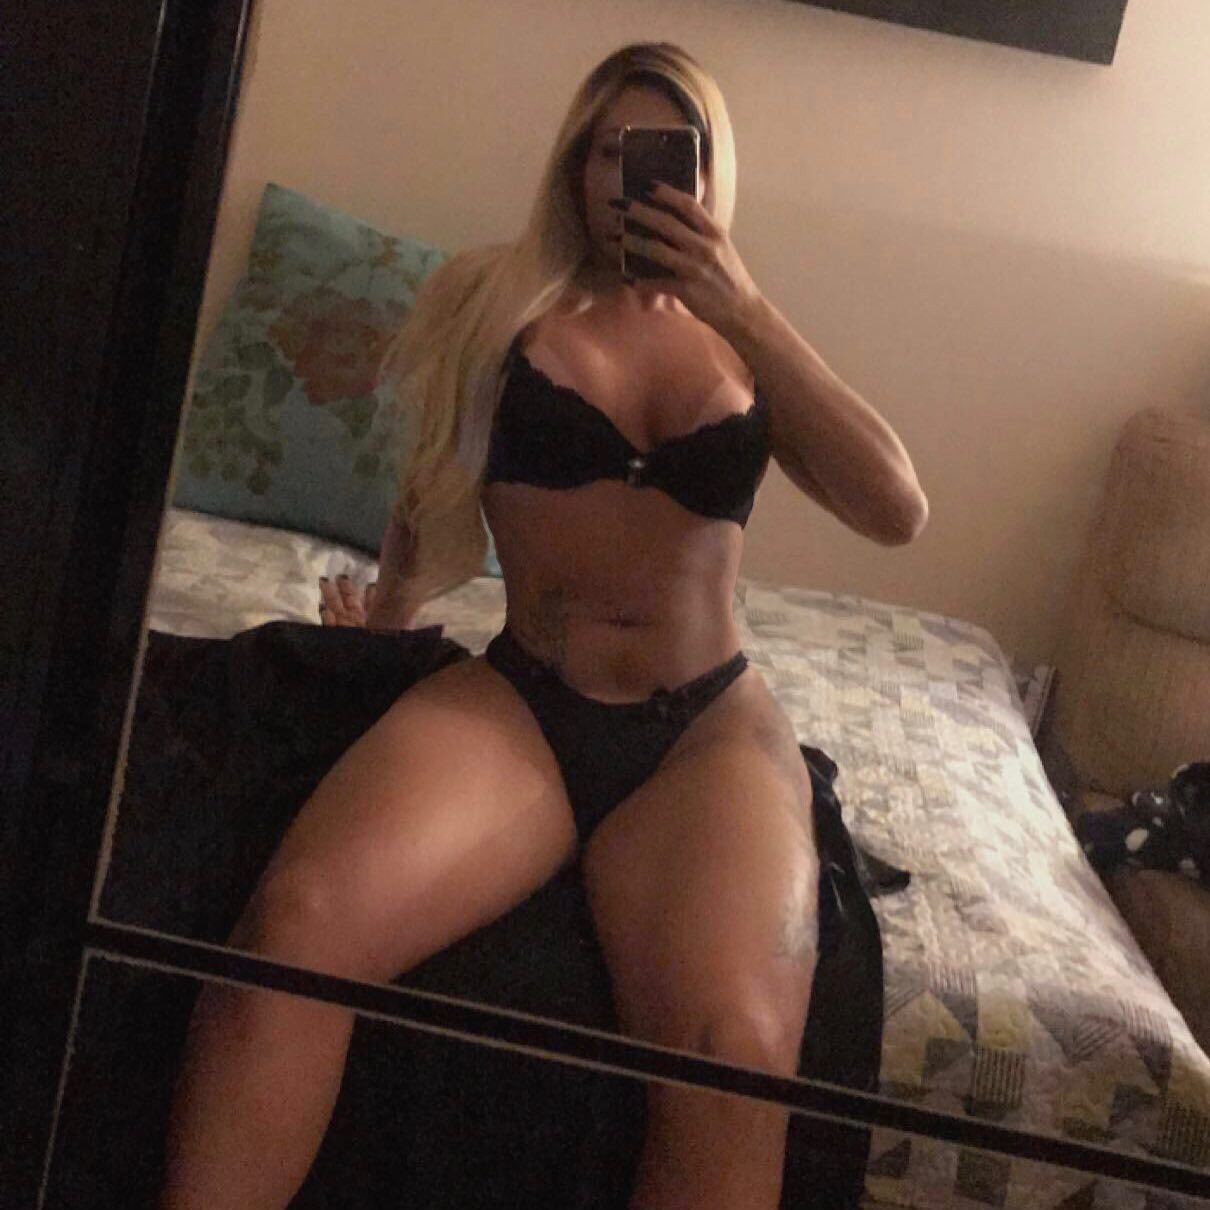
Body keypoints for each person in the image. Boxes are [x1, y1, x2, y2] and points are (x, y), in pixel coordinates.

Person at [161, 41, 928, 1210]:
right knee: (295, 926)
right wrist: (391, 615)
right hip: (522, 699)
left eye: (666, 154)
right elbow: (433, 486)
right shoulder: (498, 301)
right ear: (574, 167)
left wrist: (746, 307)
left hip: (703, 732)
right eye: (610, 150)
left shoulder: (744, 339)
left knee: (733, 1055)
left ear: (710, 174)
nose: (632, 177)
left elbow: (897, 509)